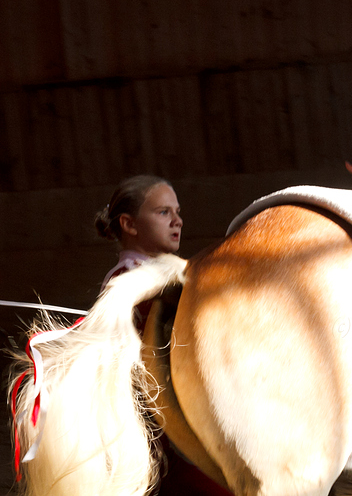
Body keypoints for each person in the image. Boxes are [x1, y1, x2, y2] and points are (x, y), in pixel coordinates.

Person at [95, 175, 230, 496]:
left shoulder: (166, 273)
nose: (178, 220)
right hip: (163, 426)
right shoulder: (127, 282)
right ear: (129, 224)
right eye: (163, 212)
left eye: (177, 211)